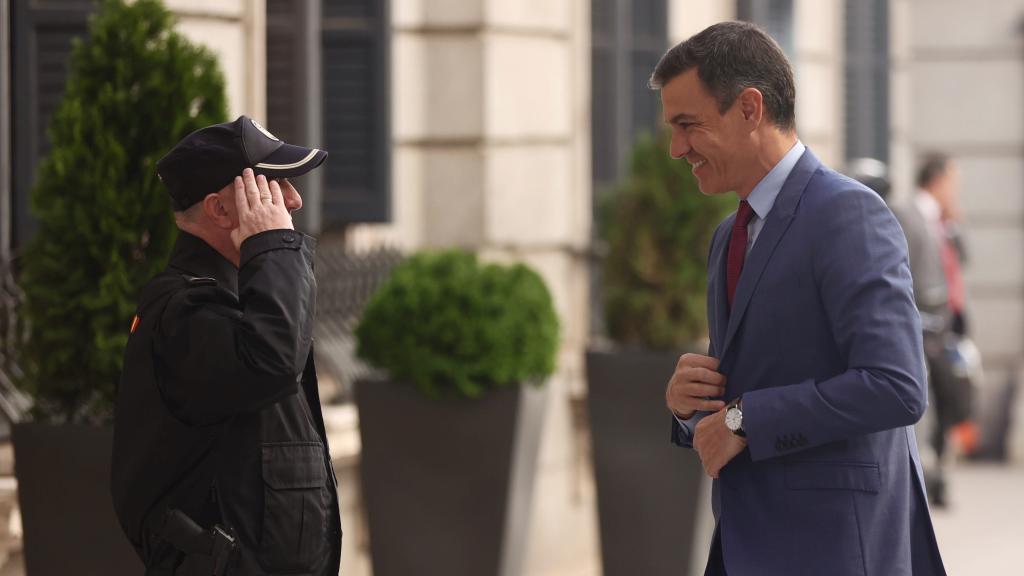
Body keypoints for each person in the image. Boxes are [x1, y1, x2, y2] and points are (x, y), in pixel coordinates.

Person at [655, 22, 945, 575]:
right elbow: (742, 392)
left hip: (833, 549)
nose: (676, 148)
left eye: (688, 125)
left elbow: (897, 386)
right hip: (747, 543)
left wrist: (743, 420)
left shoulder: (848, 214)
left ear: (749, 108)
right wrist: (688, 405)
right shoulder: (728, 236)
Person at [111, 116, 341, 575]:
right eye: (273, 186)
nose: (293, 200)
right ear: (219, 210)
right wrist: (274, 245)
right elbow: (271, 362)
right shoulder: (183, 311)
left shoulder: (245, 293)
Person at [912, 152, 980, 505]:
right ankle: (931, 478)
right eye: (952, 183)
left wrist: (953, 226)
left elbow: (962, 262)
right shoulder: (909, 214)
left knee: (954, 399)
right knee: (933, 401)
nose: (955, 191)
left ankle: (938, 474)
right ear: (936, 180)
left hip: (949, 327)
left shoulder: (943, 221)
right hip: (924, 326)